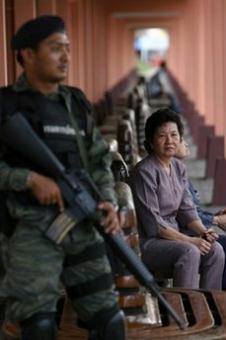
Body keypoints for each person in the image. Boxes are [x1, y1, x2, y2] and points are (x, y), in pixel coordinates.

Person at [0, 15, 126, 340]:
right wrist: (27, 179)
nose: (66, 57)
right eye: (56, 49)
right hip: (30, 230)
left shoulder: (76, 103)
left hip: (81, 221)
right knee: (39, 327)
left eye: (68, 49)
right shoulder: (6, 106)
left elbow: (98, 158)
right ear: (27, 54)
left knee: (110, 322)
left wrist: (108, 201)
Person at [131, 108, 224, 289]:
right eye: (162, 136)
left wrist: (202, 232)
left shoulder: (179, 167)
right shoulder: (144, 172)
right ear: (151, 141)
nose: (169, 141)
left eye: (174, 135)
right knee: (190, 251)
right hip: (150, 243)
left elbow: (187, 210)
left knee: (216, 251)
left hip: (174, 237)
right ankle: (184, 309)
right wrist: (190, 240)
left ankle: (209, 304)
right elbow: (154, 225)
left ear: (180, 138)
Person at [175, 138, 226, 289]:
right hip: (185, 233)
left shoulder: (179, 170)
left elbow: (193, 210)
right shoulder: (174, 174)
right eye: (181, 139)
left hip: (193, 230)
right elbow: (185, 214)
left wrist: (216, 215)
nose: (186, 143)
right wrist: (216, 220)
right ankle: (219, 300)